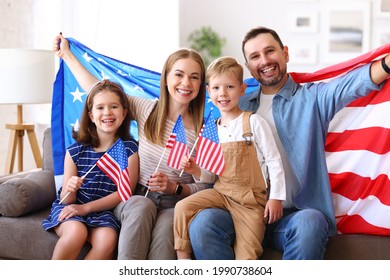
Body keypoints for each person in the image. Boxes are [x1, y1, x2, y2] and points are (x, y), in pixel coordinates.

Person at [188, 26, 390, 260]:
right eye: (255, 56)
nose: (264, 61)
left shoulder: (312, 98)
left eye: (270, 51)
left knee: (310, 222)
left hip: (292, 215)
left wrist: (386, 65)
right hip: (241, 210)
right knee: (203, 222)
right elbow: (194, 107)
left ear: (285, 53)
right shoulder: (237, 104)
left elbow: (352, 83)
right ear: (248, 67)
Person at [53, 34, 209, 259]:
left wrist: (176, 188)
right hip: (136, 197)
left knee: (167, 228)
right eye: (179, 75)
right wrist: (67, 55)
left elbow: (207, 185)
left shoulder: (205, 130)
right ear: (165, 78)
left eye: (194, 77)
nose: (186, 83)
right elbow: (100, 92)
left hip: (173, 204)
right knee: (141, 206)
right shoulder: (147, 110)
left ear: (201, 85)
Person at [173, 56, 286, 260]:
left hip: (250, 202)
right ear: (209, 91)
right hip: (222, 193)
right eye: (216, 88)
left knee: (247, 256)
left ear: (242, 89)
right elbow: (211, 174)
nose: (222, 93)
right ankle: (184, 262)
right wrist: (195, 170)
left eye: (229, 87)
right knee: (182, 207)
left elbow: (274, 161)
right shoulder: (211, 129)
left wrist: (276, 197)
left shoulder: (254, 122)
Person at [42, 80, 139, 259]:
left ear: (124, 113)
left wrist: (86, 209)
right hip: (72, 206)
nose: (107, 112)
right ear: (91, 115)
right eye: (100, 108)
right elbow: (67, 200)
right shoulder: (75, 151)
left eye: (114, 106)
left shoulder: (130, 150)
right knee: (76, 233)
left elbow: (123, 193)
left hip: (103, 212)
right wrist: (70, 188)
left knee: (107, 239)